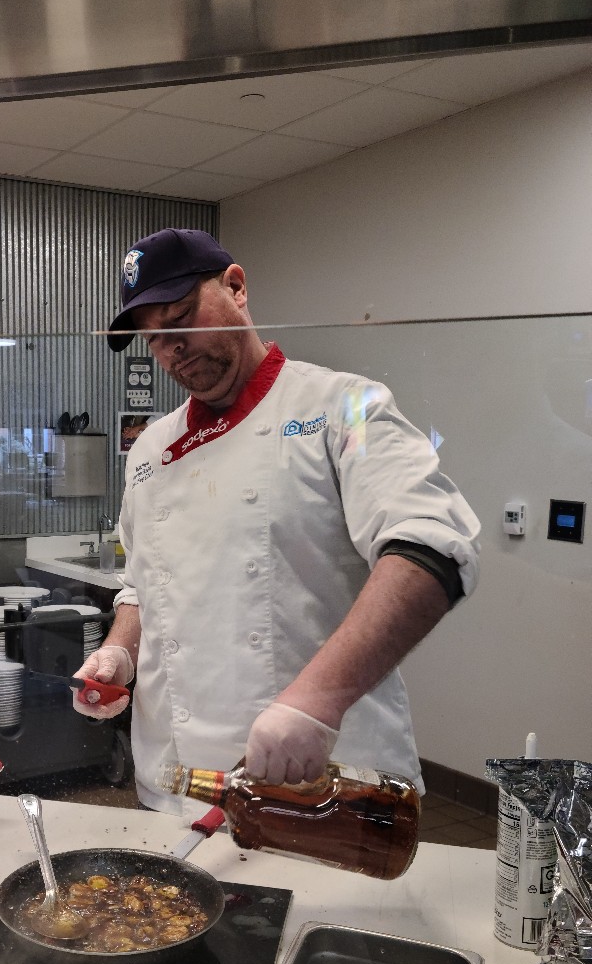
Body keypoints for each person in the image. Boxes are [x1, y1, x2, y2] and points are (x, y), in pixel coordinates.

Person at [71, 227, 481, 817]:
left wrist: (316, 702)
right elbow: (144, 583)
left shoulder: (348, 408)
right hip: (176, 780)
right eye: (154, 339)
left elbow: (431, 545)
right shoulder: (150, 449)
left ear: (235, 287)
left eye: (183, 318)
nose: (173, 350)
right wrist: (119, 654)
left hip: (324, 779)